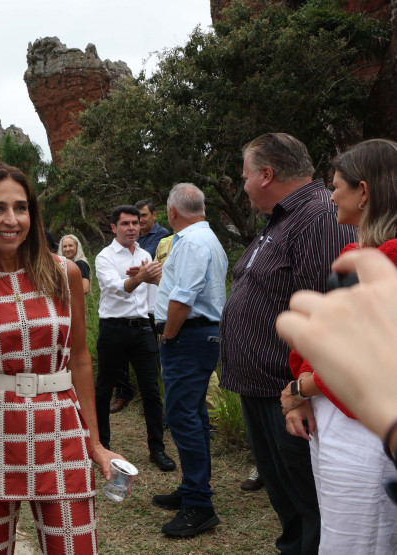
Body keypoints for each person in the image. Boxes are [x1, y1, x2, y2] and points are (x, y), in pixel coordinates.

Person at [0, 162, 123, 554]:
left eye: (21, 207)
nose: (11, 220)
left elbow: (79, 358)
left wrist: (95, 442)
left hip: (61, 427)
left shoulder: (64, 273)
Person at [219, 133, 355, 554]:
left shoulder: (319, 217)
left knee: (309, 506)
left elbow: (326, 312)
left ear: (266, 174)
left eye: (245, 176)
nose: (242, 185)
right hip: (266, 391)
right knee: (288, 503)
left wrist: (301, 393)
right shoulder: (282, 219)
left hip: (290, 395)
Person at [278, 139, 397, 553]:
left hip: (365, 430)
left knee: (361, 540)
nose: (331, 197)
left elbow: (366, 362)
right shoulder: (361, 254)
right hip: (336, 420)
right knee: (340, 531)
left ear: (364, 191)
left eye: (336, 186)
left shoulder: (387, 261)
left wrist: (300, 390)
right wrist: (303, 390)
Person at [151, 183, 228, 537]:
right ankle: (192, 488)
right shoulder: (203, 238)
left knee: (182, 416)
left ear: (172, 212)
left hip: (187, 336)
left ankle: (199, 504)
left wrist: (168, 335)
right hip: (195, 335)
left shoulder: (193, 242)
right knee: (193, 416)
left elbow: (183, 296)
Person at [276, 248, 397, 450]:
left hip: (352, 427)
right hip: (332, 413)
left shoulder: (383, 256)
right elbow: (325, 342)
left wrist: (299, 392)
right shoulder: (358, 256)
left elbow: (351, 358)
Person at [92, 206, 175, 472]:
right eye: (125, 224)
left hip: (142, 328)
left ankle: (157, 449)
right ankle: (102, 445)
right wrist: (140, 277)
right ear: (113, 228)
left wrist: (151, 283)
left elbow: (152, 293)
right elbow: (119, 289)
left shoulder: (144, 255)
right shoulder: (104, 257)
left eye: (135, 223)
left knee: (151, 390)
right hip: (113, 328)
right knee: (104, 389)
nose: (131, 228)